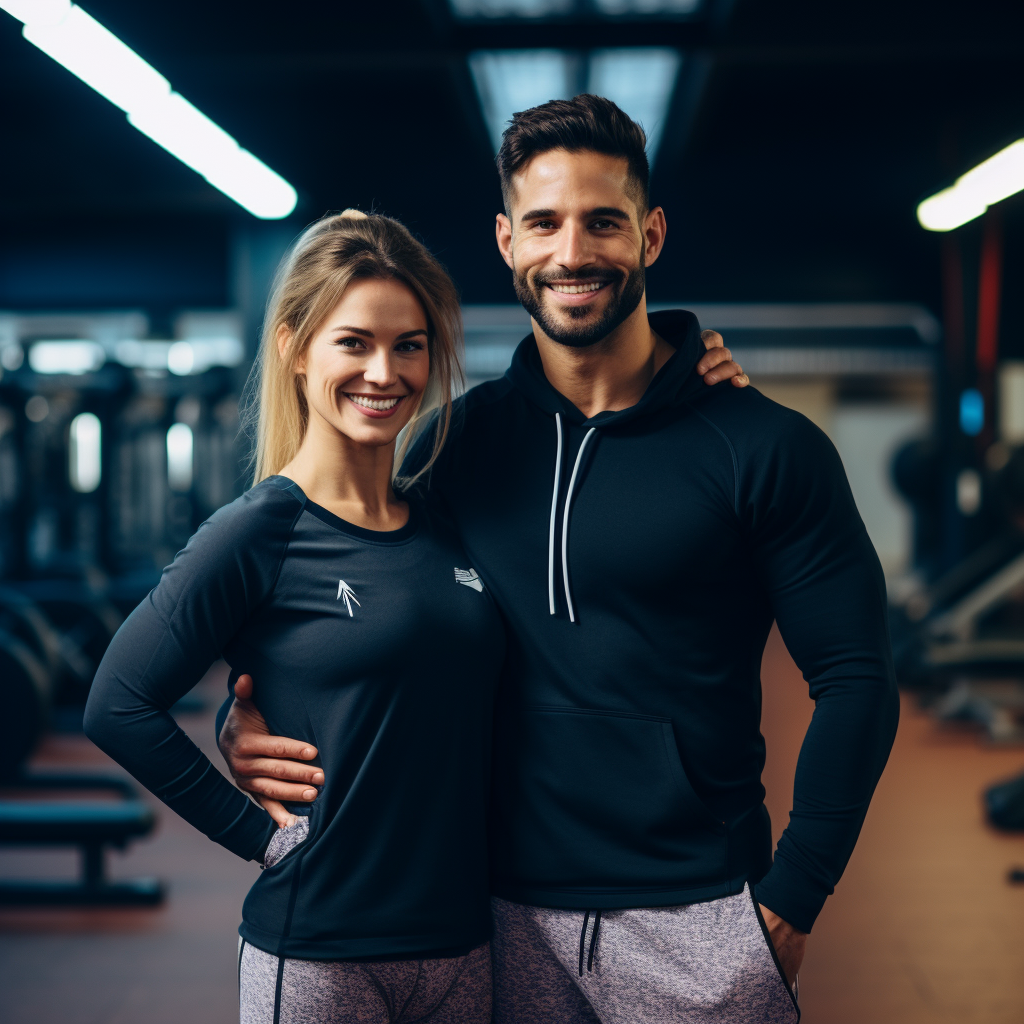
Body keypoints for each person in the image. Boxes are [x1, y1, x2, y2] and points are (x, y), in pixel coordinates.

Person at [221, 95, 900, 1024]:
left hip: (700, 916)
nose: (572, 252)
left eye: (603, 222)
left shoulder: (764, 448)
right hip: (492, 916)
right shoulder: (450, 449)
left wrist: (791, 900)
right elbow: (353, 608)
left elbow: (857, 678)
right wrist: (246, 718)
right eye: (543, 222)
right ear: (506, 240)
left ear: (651, 234)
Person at [83, 209, 744, 1024]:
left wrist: (687, 374)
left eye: (409, 345)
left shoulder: (443, 512)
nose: (383, 371)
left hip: (463, 945)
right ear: (295, 348)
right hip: (323, 947)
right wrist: (256, 835)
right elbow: (117, 703)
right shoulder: (260, 529)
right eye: (353, 342)